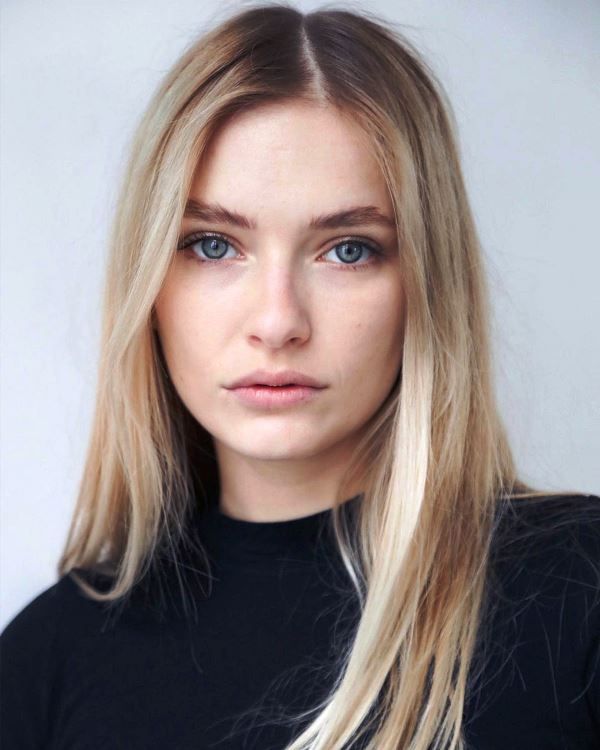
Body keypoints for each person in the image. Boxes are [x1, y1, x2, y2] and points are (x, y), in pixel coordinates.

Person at [1, 3, 598, 749]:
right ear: (149, 284)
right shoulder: (45, 660)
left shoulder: (579, 589)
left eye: (347, 249)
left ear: (427, 285)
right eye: (214, 245)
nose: (278, 321)